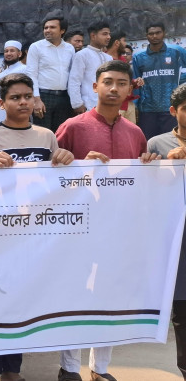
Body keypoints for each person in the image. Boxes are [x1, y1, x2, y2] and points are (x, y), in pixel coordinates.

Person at [55, 60, 160, 381]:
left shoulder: (136, 133)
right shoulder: (73, 127)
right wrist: (76, 164)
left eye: (121, 83)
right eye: (108, 82)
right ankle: (69, 368)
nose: (114, 88)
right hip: (77, 228)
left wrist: (149, 163)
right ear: (95, 86)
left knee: (110, 297)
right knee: (75, 296)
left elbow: (142, 181)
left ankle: (100, 368)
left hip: (119, 229)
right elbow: (50, 176)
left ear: (130, 90)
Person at [0, 73, 74, 381]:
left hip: (33, 234)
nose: (23, 102)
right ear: (2, 104)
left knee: (20, 301)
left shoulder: (46, 136)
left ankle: (12, 370)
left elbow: (56, 180)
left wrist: (67, 158)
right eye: (15, 97)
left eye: (28, 96)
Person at [147, 84, 186, 381]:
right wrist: (162, 167)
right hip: (177, 240)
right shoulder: (157, 144)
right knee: (182, 313)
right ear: (173, 111)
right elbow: (149, 191)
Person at [132, 22, 186, 139]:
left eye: (158, 33)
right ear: (146, 35)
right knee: (148, 142)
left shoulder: (177, 51)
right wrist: (135, 105)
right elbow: (135, 83)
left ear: (164, 33)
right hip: (147, 109)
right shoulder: (138, 57)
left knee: (171, 142)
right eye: (151, 34)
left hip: (170, 107)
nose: (154, 36)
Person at [26, 15, 76, 132]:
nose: (47, 30)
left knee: (61, 134)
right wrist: (36, 100)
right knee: (43, 134)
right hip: (43, 97)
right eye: (45, 28)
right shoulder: (36, 47)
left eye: (52, 27)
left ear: (62, 30)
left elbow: (73, 75)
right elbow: (31, 74)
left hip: (64, 98)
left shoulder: (69, 48)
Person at [68, 21, 112, 115]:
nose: (108, 37)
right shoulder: (82, 55)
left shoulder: (109, 58)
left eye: (109, 34)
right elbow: (74, 80)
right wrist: (77, 104)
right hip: (88, 106)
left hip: (107, 104)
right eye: (104, 34)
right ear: (93, 36)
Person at [0, 40, 28, 124]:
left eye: (12, 51)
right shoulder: (1, 75)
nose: (8, 53)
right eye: (6, 51)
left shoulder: (25, 69)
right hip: (1, 114)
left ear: (19, 54)